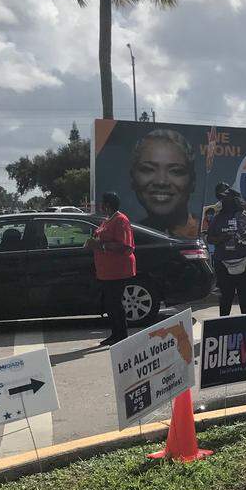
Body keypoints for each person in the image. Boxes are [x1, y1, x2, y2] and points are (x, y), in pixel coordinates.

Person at [86, 191, 136, 346]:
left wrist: (100, 245)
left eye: (102, 203)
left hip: (118, 270)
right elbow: (99, 237)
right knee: (109, 303)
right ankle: (115, 334)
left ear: (107, 205)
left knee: (115, 303)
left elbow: (124, 246)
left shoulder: (121, 220)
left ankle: (121, 336)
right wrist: (92, 241)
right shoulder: (108, 220)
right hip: (106, 272)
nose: (100, 205)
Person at [128, 128, 198, 237]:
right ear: (133, 178)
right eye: (148, 169)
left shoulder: (202, 232)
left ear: (192, 181)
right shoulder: (129, 237)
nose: (161, 181)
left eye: (175, 171)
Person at [206, 182, 246, 316]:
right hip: (223, 262)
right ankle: (224, 325)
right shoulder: (216, 218)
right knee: (226, 296)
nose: (225, 199)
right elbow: (210, 239)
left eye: (227, 194)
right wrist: (221, 238)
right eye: (221, 197)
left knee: (245, 295)